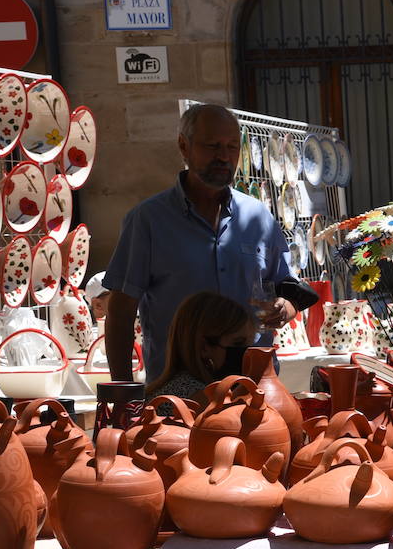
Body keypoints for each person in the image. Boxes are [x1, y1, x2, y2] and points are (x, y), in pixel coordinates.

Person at [103, 103, 296, 384]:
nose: (224, 157)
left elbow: (289, 289)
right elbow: (120, 313)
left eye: (232, 147)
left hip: (252, 385)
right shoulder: (148, 221)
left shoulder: (258, 218)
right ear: (184, 146)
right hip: (179, 389)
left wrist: (285, 307)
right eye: (212, 146)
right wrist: (122, 393)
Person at [145, 292, 254, 403]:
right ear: (204, 347)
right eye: (238, 343)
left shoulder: (180, 384)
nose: (247, 351)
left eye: (251, 343)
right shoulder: (195, 394)